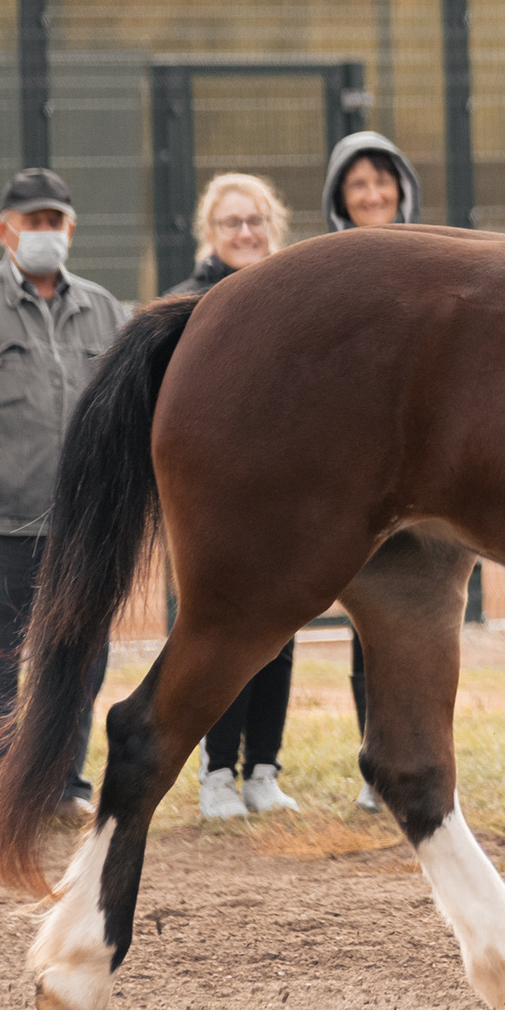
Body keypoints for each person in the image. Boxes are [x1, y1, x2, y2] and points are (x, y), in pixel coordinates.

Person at [0, 168, 128, 830]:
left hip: (83, 524)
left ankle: (62, 784)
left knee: (79, 659)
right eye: (32, 222)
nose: (44, 233)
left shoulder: (106, 310)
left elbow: (128, 402)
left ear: (71, 229)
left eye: (54, 221)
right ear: (5, 229)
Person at [170, 174, 305, 820]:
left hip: (288, 500)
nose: (245, 232)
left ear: (272, 226)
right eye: (231, 223)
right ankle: (217, 773)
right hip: (217, 507)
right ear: (210, 233)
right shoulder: (185, 306)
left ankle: (264, 772)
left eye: (254, 220)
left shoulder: (296, 299)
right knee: (223, 634)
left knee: (281, 630)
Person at [323, 130, 421, 811]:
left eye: (382, 181)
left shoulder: (435, 262)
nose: (372, 193)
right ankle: (375, 767)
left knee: (423, 624)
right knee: (371, 625)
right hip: (365, 482)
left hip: (432, 480)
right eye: (358, 184)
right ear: (340, 198)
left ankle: (418, 758)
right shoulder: (325, 275)